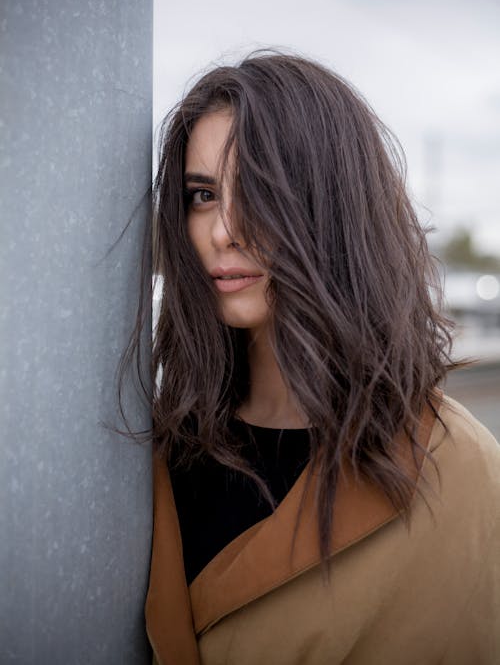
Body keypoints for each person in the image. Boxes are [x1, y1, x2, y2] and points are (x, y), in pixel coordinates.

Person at [136, 52, 500, 664]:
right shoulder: (159, 448)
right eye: (202, 194)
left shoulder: (457, 468)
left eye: (260, 190)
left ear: (335, 206)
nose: (223, 229)